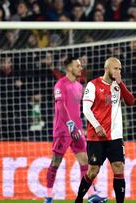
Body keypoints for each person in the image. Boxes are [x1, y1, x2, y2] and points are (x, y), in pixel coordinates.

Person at [44, 56, 107, 203]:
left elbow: (79, 109)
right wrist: (71, 126)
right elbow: (61, 107)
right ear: (69, 68)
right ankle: (48, 196)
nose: (80, 68)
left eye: (80, 66)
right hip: (63, 131)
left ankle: (91, 194)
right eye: (77, 66)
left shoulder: (79, 86)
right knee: (55, 162)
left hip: (77, 131)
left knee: (85, 161)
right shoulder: (60, 85)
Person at [75, 57, 135, 203]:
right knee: (92, 171)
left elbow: (131, 101)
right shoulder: (93, 85)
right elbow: (86, 109)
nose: (118, 71)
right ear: (107, 68)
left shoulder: (117, 86)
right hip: (96, 137)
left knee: (118, 167)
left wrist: (120, 83)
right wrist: (96, 125)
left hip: (115, 136)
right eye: (115, 68)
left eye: (120, 69)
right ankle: (78, 199)